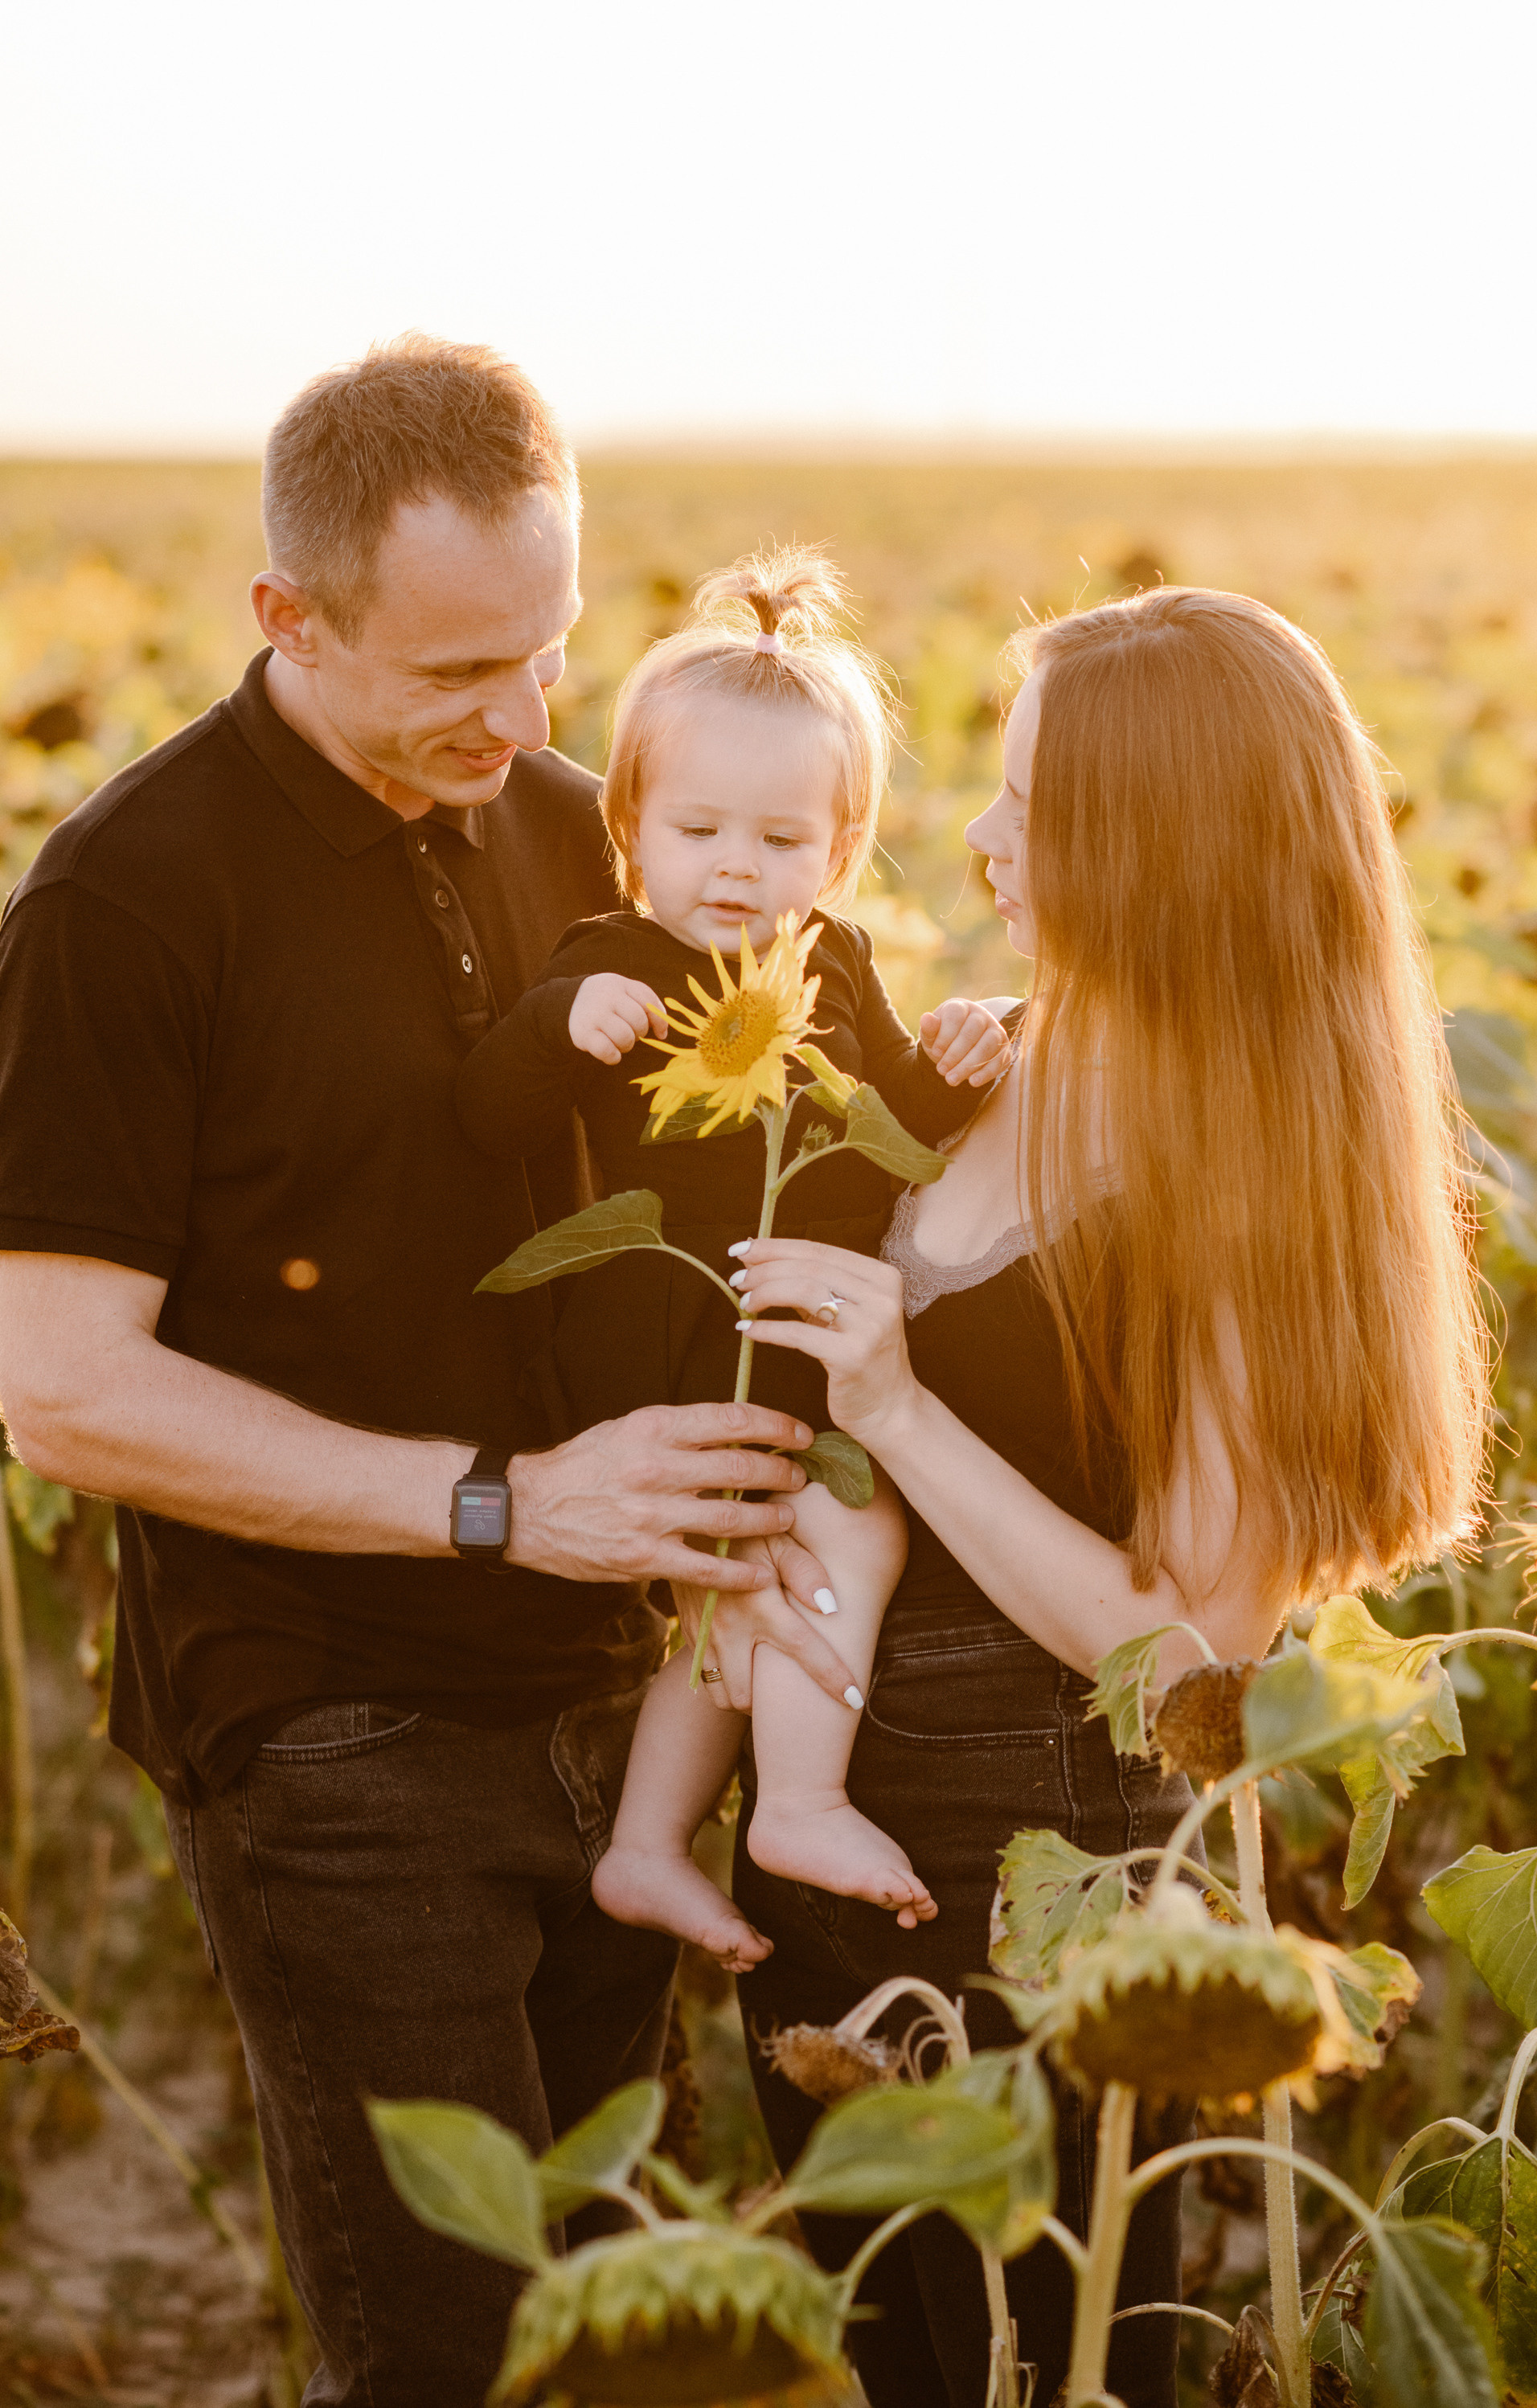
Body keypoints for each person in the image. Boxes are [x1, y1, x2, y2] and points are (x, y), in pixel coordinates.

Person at [0, 336, 864, 2408]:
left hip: (613, 1704)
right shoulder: (129, 901)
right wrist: (498, 1499)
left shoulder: (583, 831)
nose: (528, 716)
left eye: (548, 650)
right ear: (287, 617)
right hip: (334, 1724)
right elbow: (66, 1387)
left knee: (614, 2326)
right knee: (453, 2350)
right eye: (458, 672)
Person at [687, 586, 1490, 2407]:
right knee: (891, 2351)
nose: (975, 836)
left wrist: (890, 1401)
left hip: (1040, 1873)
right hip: (846, 1836)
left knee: (1027, 2358)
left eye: (1032, 806)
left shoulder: (1247, 1179)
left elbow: (1191, 1642)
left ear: (1155, 848)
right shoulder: (1013, 1056)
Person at [458, 549, 1008, 1968]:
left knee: (726, 1602)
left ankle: (647, 1847)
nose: (736, 871)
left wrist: (955, 1065)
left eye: (778, 842)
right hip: (675, 1336)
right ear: (632, 827)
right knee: (842, 1529)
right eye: (700, 832)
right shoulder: (611, 956)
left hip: (799, 1332)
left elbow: (894, 1127)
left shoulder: (832, 969)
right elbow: (489, 1113)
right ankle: (800, 1800)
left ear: (836, 854)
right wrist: (560, 1022)